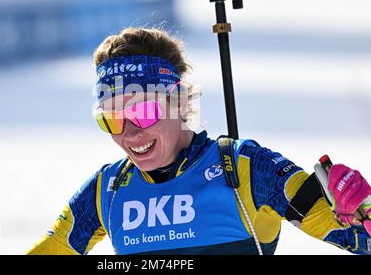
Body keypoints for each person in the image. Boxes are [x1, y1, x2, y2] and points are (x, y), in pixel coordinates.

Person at [27, 27, 371, 255]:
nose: (129, 134)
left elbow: (361, 238)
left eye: (143, 113)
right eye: (111, 119)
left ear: (178, 101)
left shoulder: (247, 169)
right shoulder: (109, 189)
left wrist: (363, 209)